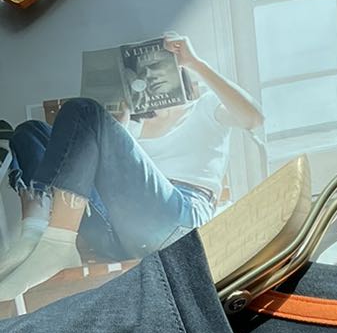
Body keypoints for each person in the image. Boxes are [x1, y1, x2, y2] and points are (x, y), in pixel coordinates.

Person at [0, 33, 264, 304]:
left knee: (82, 109)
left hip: (176, 222)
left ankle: (57, 245)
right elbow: (110, 178)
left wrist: (196, 63)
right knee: (30, 132)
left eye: (157, 66)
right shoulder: (135, 126)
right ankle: (33, 236)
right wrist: (120, 123)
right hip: (115, 234)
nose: (150, 76)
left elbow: (253, 118)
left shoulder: (205, 107)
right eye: (142, 72)